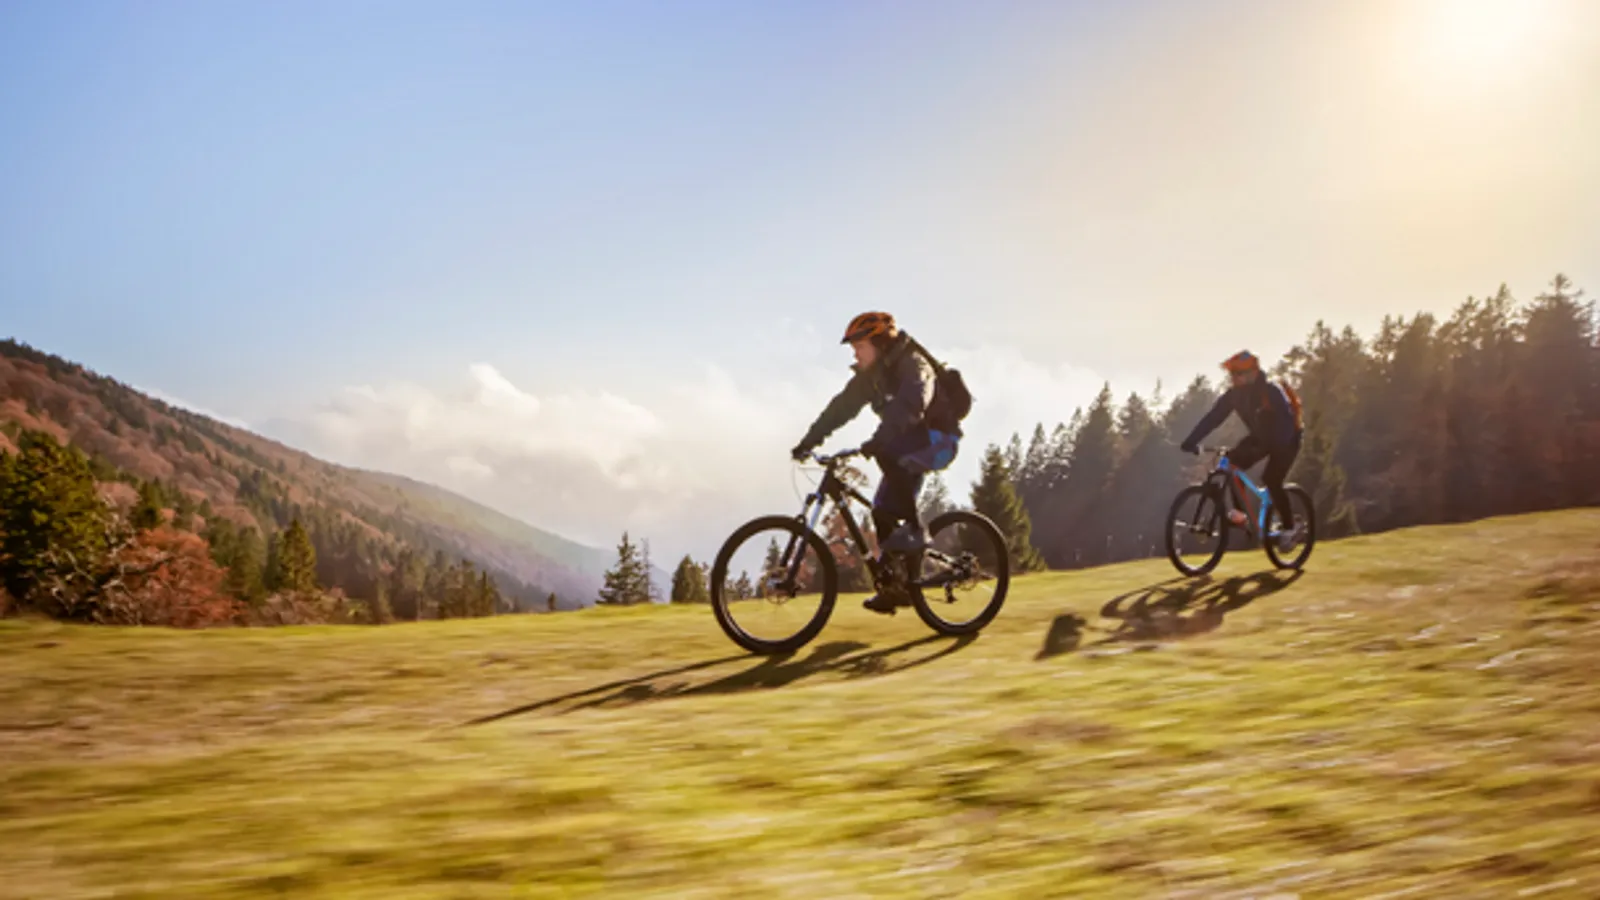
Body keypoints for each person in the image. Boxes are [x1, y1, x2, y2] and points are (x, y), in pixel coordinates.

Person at [790, 312, 961, 614]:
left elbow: (911, 404)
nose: (855, 354)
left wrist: (879, 439)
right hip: (908, 443)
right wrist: (809, 441)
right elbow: (841, 408)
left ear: (880, 343)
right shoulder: (872, 377)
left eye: (860, 346)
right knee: (881, 510)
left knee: (887, 453)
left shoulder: (914, 365)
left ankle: (916, 530)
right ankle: (895, 588)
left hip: (938, 441)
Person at [1179, 350, 1306, 551]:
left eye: (1238, 374)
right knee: (1231, 463)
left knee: (1272, 479)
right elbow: (1213, 418)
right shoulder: (1234, 396)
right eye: (1231, 374)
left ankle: (1290, 527)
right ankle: (1242, 514)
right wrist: (1191, 441)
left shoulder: (1271, 391)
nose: (1233, 378)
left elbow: (1286, 423)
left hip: (1287, 438)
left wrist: (1275, 446)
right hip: (1261, 438)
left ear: (1253, 373)